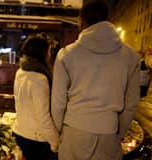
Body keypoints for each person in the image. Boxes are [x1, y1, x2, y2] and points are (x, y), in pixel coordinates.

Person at [51, 0, 140, 160]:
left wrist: (59, 131)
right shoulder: (131, 56)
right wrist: (119, 132)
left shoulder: (67, 55)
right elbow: (131, 103)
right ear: (107, 19)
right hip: (109, 133)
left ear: (81, 22)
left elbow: (58, 102)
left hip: (74, 132)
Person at [12, 33, 59, 160]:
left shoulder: (21, 72)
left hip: (21, 133)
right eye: (49, 50)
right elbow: (43, 116)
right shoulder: (39, 79)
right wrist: (55, 142)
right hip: (36, 139)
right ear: (42, 53)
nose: (50, 54)